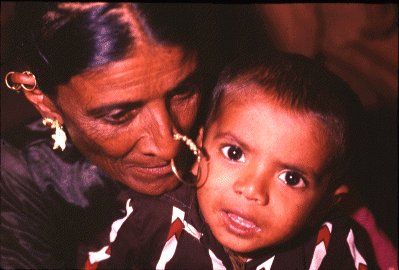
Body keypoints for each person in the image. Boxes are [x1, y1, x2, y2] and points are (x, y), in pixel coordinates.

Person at [1, 3, 272, 269]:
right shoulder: (21, 179)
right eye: (119, 115)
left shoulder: (242, 112)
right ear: (44, 102)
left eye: (183, 92)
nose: (167, 146)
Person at [85, 52, 378, 269]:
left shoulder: (334, 248)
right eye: (234, 153)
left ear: (326, 203)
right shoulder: (147, 219)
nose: (252, 190)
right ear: (199, 148)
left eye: (291, 178)